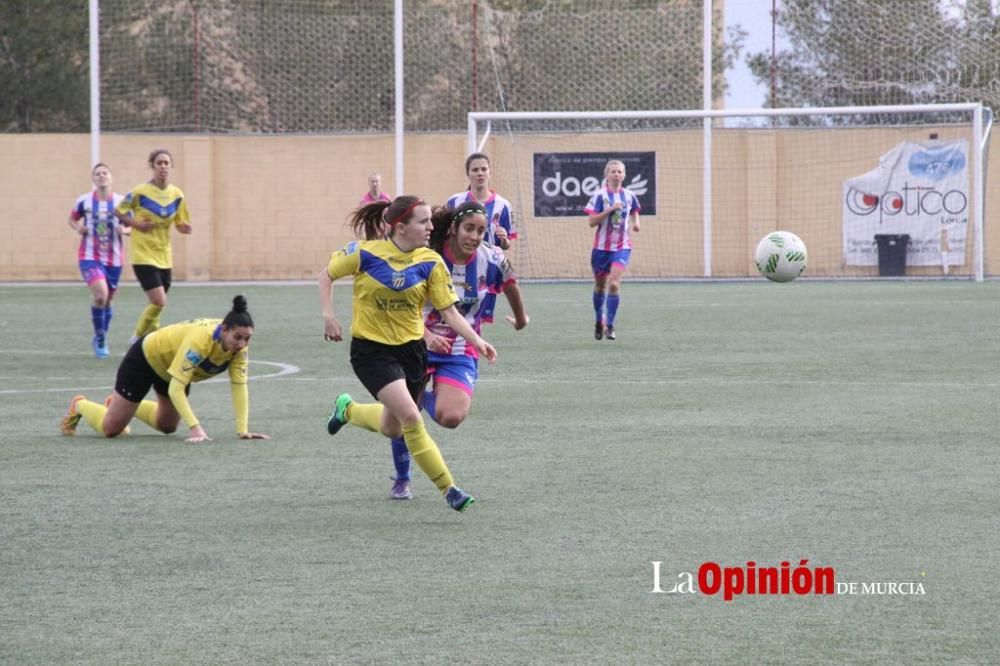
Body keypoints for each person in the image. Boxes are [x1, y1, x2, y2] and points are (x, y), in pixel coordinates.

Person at [318, 195, 498, 513]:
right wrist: (329, 315)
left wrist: (477, 341)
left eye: (430, 220)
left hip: (412, 351)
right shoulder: (365, 253)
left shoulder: (430, 262)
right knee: (413, 419)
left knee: (393, 427)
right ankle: (450, 489)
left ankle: (347, 411)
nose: (431, 227)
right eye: (423, 221)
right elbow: (327, 275)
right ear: (401, 227)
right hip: (372, 352)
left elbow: (450, 312)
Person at [382, 201, 529, 500]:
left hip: (462, 346)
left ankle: (420, 399)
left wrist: (522, 319)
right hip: (414, 343)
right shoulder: (426, 259)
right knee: (396, 425)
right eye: (469, 228)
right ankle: (402, 477)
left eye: (481, 230)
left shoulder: (494, 259)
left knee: (451, 417)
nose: (474, 236)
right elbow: (401, 306)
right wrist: (424, 335)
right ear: (453, 229)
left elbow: (512, 285)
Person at [60, 295, 270, 443]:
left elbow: (239, 385)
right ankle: (80, 405)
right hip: (145, 358)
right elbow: (176, 389)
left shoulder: (239, 349)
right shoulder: (200, 341)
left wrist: (243, 430)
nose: (242, 344)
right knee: (111, 430)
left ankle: (119, 405)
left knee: (167, 426)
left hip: (171, 366)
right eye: (238, 337)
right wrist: (195, 428)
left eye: (247, 338)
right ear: (224, 330)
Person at [114, 148, 192, 345]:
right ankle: (137, 339)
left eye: (166, 163)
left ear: (170, 167)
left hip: (164, 256)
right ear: (152, 166)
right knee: (159, 301)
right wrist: (136, 224)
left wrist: (184, 228)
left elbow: (180, 223)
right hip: (143, 255)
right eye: (159, 163)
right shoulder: (140, 192)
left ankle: (153, 335)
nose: (163, 166)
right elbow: (119, 212)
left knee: (157, 303)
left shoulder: (177, 195)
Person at [67, 163, 127, 359]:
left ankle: (101, 335)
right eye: (98, 174)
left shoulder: (121, 202)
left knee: (108, 300)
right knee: (101, 295)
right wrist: (78, 228)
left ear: (111, 177)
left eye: (105, 173)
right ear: (93, 179)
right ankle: (100, 337)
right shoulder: (84, 201)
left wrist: (125, 230)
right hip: (89, 257)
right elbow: (72, 219)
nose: (102, 176)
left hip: (114, 260)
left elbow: (132, 225)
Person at [585, 159, 641, 341]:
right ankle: (598, 320)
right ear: (606, 175)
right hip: (601, 249)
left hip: (622, 247)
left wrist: (636, 224)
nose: (616, 174)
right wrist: (609, 209)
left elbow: (634, 211)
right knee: (600, 286)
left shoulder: (630, 195)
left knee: (614, 284)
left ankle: (610, 325)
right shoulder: (599, 196)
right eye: (613, 171)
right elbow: (592, 222)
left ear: (624, 175)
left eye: (619, 171)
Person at [446, 152, 516, 251]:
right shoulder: (454, 201)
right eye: (475, 170)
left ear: (490, 172)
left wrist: (504, 240)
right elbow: (446, 234)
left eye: (484, 169)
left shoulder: (504, 205)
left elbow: (507, 245)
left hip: (490, 263)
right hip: (460, 262)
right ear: (467, 173)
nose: (480, 173)